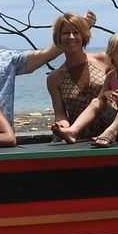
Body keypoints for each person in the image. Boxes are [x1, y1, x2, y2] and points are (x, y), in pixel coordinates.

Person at [45, 13, 103, 141]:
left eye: (76, 32)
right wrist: (60, 128)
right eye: (65, 33)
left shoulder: (103, 60)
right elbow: (61, 115)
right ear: (58, 38)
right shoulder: (54, 78)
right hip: (80, 139)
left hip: (112, 136)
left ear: (83, 36)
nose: (71, 37)